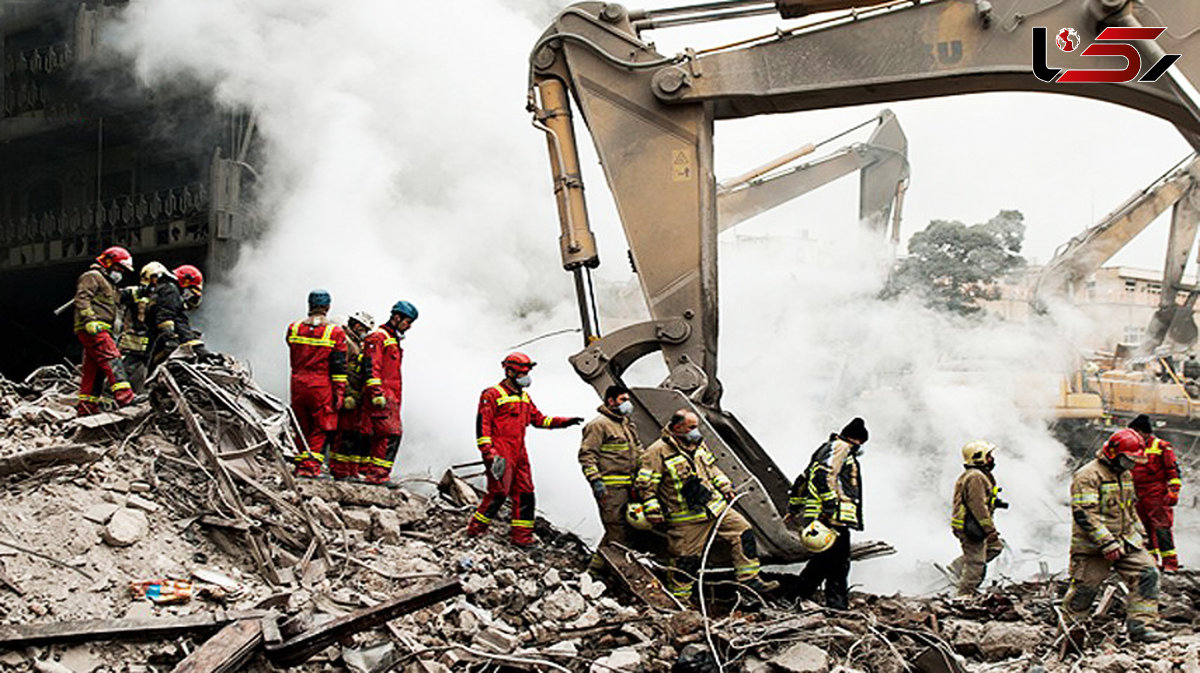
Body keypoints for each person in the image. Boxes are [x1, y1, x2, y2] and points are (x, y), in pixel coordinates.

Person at [635, 409, 778, 600]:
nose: (696, 431)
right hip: (687, 519)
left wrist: (725, 486)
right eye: (692, 427)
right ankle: (679, 601)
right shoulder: (657, 452)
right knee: (686, 561)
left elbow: (712, 469)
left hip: (715, 508)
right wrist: (652, 509)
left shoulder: (698, 445)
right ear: (677, 428)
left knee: (742, 531)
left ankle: (749, 581)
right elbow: (646, 484)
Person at [1063, 427, 1167, 643]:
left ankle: (1141, 627)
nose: (1133, 465)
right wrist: (1107, 542)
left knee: (1148, 574)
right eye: (1129, 459)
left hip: (1126, 541)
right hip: (1093, 547)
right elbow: (1085, 514)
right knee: (1084, 591)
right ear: (1114, 454)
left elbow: (1129, 509)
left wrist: (1141, 537)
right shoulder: (1087, 475)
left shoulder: (1124, 474)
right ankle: (1070, 636)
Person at [467, 352, 583, 546]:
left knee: (525, 492)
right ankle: (475, 531)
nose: (526, 377)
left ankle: (522, 537)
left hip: (519, 453)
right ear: (509, 372)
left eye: (527, 372)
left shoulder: (524, 397)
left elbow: (539, 419)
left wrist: (565, 422)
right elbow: (483, 425)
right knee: (498, 493)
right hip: (500, 452)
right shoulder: (492, 394)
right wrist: (489, 452)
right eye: (522, 373)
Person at [787, 417, 868, 610]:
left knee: (831, 561)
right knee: (834, 562)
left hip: (829, 517)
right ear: (856, 439)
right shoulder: (840, 448)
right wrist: (830, 506)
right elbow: (822, 476)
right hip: (831, 518)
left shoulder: (828, 448)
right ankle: (802, 598)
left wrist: (794, 507)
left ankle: (829, 603)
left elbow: (803, 479)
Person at [578, 384, 643, 573]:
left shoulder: (626, 424)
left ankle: (595, 569)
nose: (628, 404)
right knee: (618, 531)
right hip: (610, 488)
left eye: (628, 400)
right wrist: (596, 481)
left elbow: (638, 450)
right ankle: (617, 573)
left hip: (627, 486)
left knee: (618, 530)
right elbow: (587, 455)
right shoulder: (598, 425)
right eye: (623, 400)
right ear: (611, 401)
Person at [286, 289, 348, 477]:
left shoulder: (294, 327)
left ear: (309, 305)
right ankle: (310, 467)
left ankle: (300, 465)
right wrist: (339, 393)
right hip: (321, 385)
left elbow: (292, 347)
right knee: (321, 426)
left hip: (297, 383)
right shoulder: (334, 332)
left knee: (301, 425)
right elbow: (339, 367)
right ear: (328, 307)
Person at [73, 246, 136, 415]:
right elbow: (82, 298)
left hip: (101, 328)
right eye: (119, 268)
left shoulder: (109, 284)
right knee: (112, 357)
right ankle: (125, 396)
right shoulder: (92, 277)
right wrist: (90, 320)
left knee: (93, 370)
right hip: (93, 328)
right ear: (109, 263)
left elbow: (118, 300)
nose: (121, 272)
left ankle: (86, 408)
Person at [360, 301, 417, 485]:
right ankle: (377, 475)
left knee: (381, 435)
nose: (408, 326)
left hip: (390, 396)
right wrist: (376, 392)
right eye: (407, 321)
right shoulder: (379, 337)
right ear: (397, 317)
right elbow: (371, 367)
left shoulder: (392, 339)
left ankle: (373, 473)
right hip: (381, 396)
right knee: (390, 434)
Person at [949, 440, 1007, 596]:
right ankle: (964, 595)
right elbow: (978, 507)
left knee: (995, 547)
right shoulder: (975, 477)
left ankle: (956, 568)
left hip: (974, 524)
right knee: (976, 563)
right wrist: (990, 530)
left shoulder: (979, 475)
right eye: (989, 456)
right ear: (979, 457)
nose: (991, 459)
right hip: (971, 526)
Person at [1129, 414, 1183, 572]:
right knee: (1143, 529)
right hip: (1138, 494)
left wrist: (1173, 491)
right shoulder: (1132, 447)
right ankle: (1151, 561)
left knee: (1161, 527)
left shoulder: (1161, 446)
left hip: (1156, 494)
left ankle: (1170, 563)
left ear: (1143, 432)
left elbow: (1172, 470)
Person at [330, 310, 375, 481]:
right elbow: (342, 371)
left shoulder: (356, 342)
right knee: (343, 434)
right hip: (348, 394)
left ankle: (350, 471)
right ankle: (340, 471)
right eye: (364, 329)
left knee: (352, 434)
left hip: (355, 394)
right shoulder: (347, 342)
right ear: (357, 326)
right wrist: (348, 394)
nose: (365, 333)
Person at [145, 262, 213, 369]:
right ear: (185, 282)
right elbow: (168, 318)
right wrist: (171, 338)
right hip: (155, 341)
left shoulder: (166, 289)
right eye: (191, 290)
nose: (189, 296)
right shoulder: (170, 290)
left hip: (152, 340)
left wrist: (198, 347)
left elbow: (178, 322)